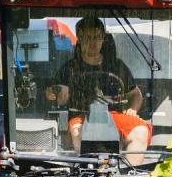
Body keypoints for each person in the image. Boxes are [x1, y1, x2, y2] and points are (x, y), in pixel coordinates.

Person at [47, 17, 151, 163]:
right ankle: (86, 175)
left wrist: (133, 109)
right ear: (80, 39)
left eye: (97, 37)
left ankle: (127, 176)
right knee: (80, 135)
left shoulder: (117, 66)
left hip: (114, 115)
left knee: (141, 131)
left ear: (103, 39)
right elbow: (56, 94)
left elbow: (136, 94)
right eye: (88, 37)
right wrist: (54, 92)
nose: (93, 42)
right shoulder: (69, 68)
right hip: (81, 116)